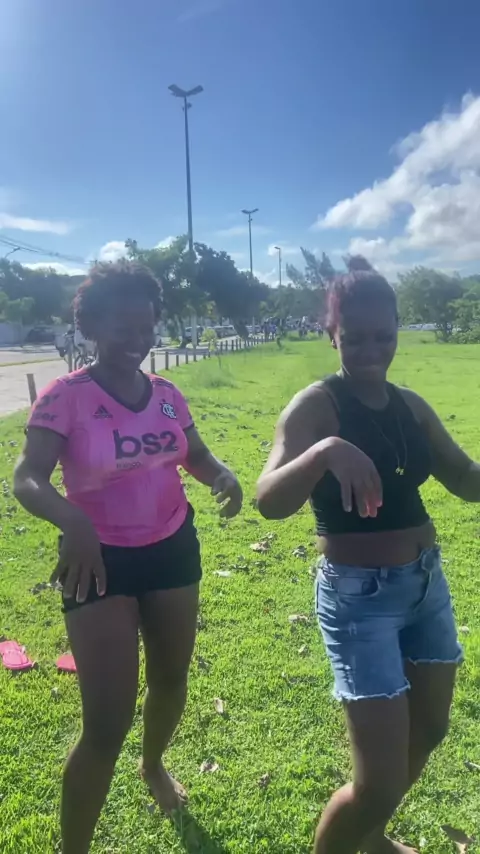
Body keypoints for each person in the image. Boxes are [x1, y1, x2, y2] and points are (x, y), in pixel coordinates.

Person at [14, 260, 243, 854]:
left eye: (147, 328)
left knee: (170, 678)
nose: (138, 340)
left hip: (171, 548)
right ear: (91, 326)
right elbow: (27, 478)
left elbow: (194, 454)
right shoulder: (66, 397)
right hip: (97, 562)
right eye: (124, 328)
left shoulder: (166, 395)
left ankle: (154, 764)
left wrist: (222, 475)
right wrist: (73, 521)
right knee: (105, 724)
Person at [256, 257, 480, 854]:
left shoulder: (410, 406)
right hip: (361, 600)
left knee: (429, 729)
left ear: (398, 329)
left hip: (426, 587)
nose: (371, 350)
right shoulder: (316, 405)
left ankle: (372, 837)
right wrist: (324, 452)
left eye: (384, 335)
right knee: (376, 778)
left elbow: (464, 478)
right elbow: (269, 501)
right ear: (332, 333)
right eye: (355, 337)